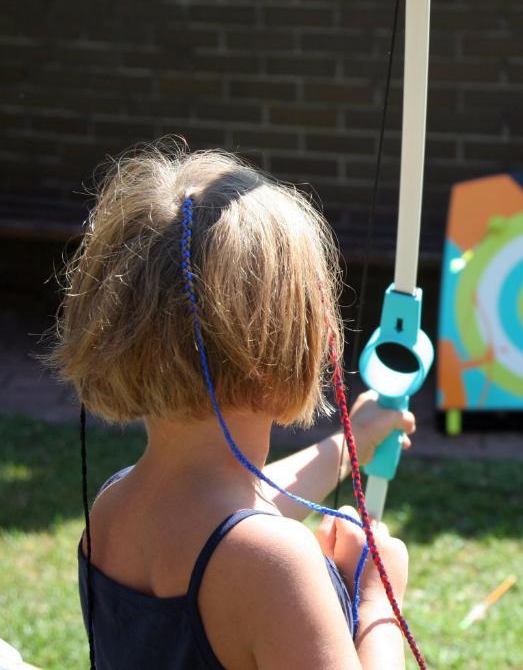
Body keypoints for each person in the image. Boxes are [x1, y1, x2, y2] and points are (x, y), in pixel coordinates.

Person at [47, 140, 416, 669]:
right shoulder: (276, 567)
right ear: (290, 340)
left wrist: (346, 448)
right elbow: (246, 536)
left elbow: (232, 515)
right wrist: (379, 601)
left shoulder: (115, 508)